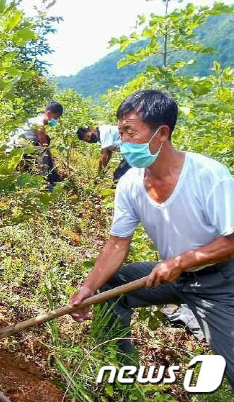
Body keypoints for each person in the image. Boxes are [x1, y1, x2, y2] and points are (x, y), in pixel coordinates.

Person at [68, 89, 234, 390]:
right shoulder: (131, 183)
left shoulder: (209, 175)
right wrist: (87, 289)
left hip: (220, 281)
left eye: (130, 131)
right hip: (172, 276)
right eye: (120, 132)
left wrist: (181, 261)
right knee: (110, 284)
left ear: (162, 133)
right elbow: (118, 242)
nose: (123, 141)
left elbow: (231, 241)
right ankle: (120, 377)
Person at [7, 101, 64, 190]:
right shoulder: (39, 123)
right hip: (17, 147)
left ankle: (47, 179)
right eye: (55, 118)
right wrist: (49, 155)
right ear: (49, 114)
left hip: (20, 147)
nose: (56, 121)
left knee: (45, 145)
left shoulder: (35, 120)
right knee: (44, 152)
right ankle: (43, 182)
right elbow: (42, 141)